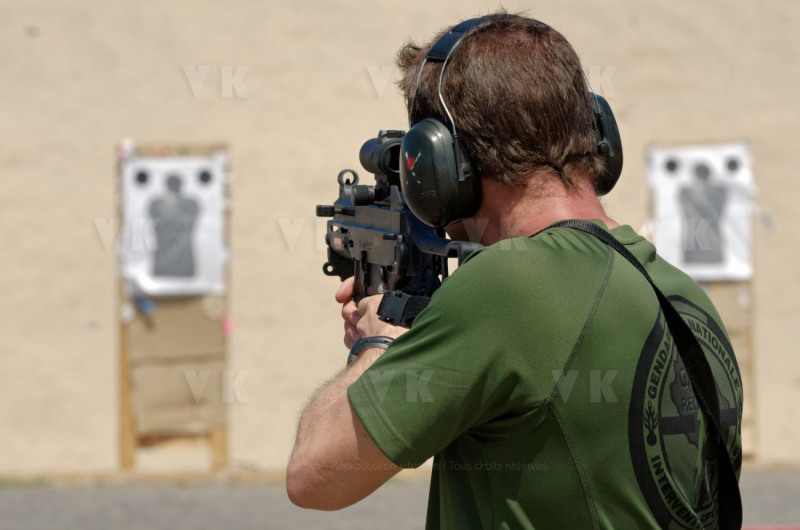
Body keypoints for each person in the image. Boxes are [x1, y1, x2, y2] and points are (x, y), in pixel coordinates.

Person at [287, 13, 742, 529]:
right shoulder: (683, 295)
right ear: (596, 131)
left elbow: (315, 476)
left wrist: (377, 344)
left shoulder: (506, 287)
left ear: (441, 160)